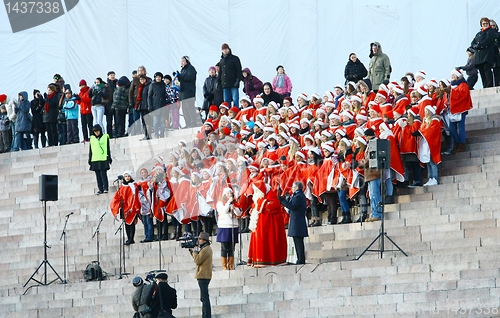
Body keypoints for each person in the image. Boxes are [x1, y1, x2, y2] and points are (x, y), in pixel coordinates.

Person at [247, 180, 287, 267]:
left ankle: (267, 261)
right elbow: (255, 207)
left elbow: (275, 205)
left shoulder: (270, 194)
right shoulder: (258, 197)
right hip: (259, 225)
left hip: (268, 225)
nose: (256, 192)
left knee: (267, 243)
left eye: (257, 190)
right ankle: (258, 261)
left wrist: (262, 203)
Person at [278, 181, 308, 265]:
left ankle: (300, 260)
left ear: (297, 187)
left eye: (293, 187)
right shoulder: (297, 195)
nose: (292, 189)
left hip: (298, 221)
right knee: (297, 241)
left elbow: (292, 206)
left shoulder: (298, 196)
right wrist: (287, 200)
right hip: (296, 220)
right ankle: (299, 259)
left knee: (298, 242)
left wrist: (283, 201)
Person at [359, 129, 383, 222]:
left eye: (365, 136)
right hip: (371, 174)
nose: (365, 138)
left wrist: (358, 164)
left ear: (368, 136)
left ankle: (377, 213)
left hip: (374, 173)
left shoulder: (374, 143)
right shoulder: (371, 144)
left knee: (375, 195)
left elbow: (369, 160)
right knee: (372, 195)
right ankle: (374, 213)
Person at [216, 187, 242, 270]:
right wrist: (228, 202)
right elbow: (224, 211)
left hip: (233, 226)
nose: (229, 195)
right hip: (224, 226)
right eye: (227, 193)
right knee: (224, 247)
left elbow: (239, 213)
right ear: (224, 194)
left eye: (230, 193)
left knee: (232, 247)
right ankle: (224, 266)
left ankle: (231, 265)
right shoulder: (220, 203)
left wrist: (234, 208)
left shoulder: (235, 203)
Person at [448, 69, 473, 153]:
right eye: (451, 75)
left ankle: (461, 145)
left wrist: (451, 92)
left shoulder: (463, 85)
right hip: (453, 110)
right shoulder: (451, 86)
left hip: (461, 109)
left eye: (453, 75)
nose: (452, 76)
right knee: (452, 128)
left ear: (458, 76)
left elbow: (462, 96)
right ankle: (457, 143)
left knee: (461, 128)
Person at [189, 232, 212, 318]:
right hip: (203, 275)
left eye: (200, 239)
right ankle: (205, 315)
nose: (198, 241)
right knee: (203, 297)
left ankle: (206, 315)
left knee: (204, 298)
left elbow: (198, 261)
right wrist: (192, 252)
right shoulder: (205, 249)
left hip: (203, 276)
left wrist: (194, 252)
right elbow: (197, 259)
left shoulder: (206, 249)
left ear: (205, 241)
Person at [471, 17, 496, 88]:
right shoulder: (479, 33)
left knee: (487, 70)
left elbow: (488, 40)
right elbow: (473, 42)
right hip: (479, 56)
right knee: (481, 71)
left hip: (487, 54)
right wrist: (475, 46)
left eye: (486, 23)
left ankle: (489, 85)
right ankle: (485, 85)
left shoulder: (490, 31)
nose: (485, 25)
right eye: (483, 23)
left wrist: (479, 45)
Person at [175, 56, 199, 128]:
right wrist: (177, 76)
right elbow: (182, 78)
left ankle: (193, 122)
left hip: (189, 92)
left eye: (183, 61)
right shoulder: (183, 69)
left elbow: (189, 78)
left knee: (190, 108)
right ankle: (187, 123)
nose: (181, 63)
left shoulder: (191, 69)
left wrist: (180, 76)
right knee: (184, 109)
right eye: (181, 61)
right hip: (183, 93)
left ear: (187, 61)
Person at [89, 124, 112, 195]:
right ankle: (100, 189)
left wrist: (109, 157)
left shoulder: (105, 137)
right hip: (95, 158)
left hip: (103, 158)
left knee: (103, 174)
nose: (96, 133)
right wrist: (90, 159)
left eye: (97, 131)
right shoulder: (92, 138)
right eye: (95, 131)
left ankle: (105, 188)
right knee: (98, 175)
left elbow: (108, 148)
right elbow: (91, 149)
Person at [218, 43, 242, 109]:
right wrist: (218, 82)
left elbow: (239, 70)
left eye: (226, 49)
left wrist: (238, 80)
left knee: (235, 99)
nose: (225, 51)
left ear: (229, 49)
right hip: (225, 84)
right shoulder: (222, 61)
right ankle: (228, 114)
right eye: (223, 50)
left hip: (233, 83)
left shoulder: (235, 59)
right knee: (226, 101)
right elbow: (220, 72)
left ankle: (235, 112)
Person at [148, 72, 167, 138]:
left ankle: (162, 134)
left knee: (162, 121)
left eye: (159, 77)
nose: (158, 78)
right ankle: (156, 134)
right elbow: (149, 96)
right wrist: (150, 106)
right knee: (155, 121)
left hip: (162, 105)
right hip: (155, 105)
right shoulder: (152, 85)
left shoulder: (163, 85)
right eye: (157, 77)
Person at [135, 75, 152, 140]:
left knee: (148, 121)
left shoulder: (148, 86)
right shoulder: (140, 87)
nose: (142, 81)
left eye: (143, 79)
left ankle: (148, 134)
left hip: (147, 106)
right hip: (141, 106)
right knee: (143, 122)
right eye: (141, 79)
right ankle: (146, 134)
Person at [106, 71, 117, 138]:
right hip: (108, 106)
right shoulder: (106, 85)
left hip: (116, 105)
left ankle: (116, 133)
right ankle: (109, 134)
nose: (112, 76)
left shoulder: (117, 84)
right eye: (111, 75)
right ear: (108, 76)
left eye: (113, 75)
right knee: (109, 122)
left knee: (117, 121)